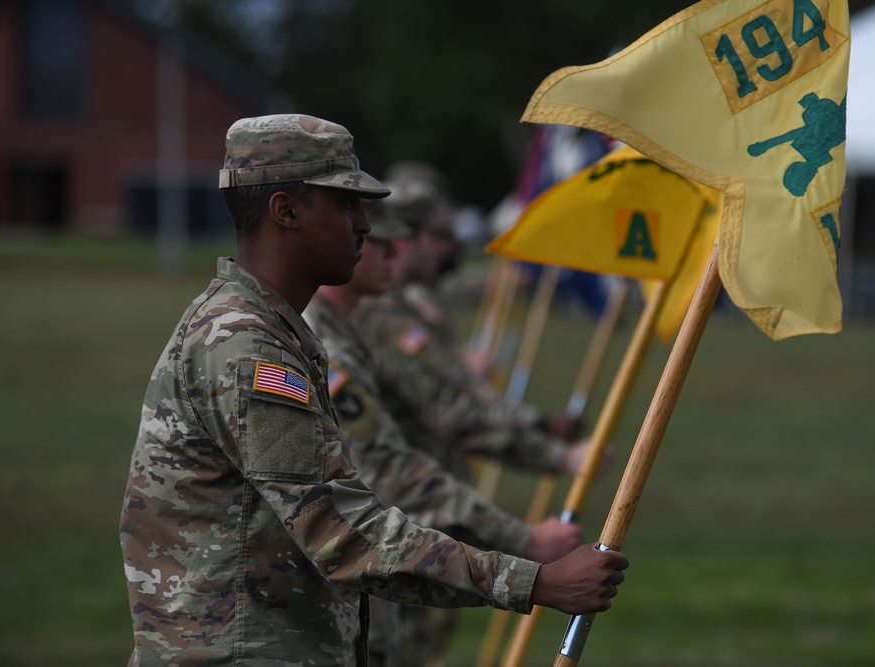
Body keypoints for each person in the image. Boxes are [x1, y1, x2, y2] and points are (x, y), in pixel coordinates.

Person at [118, 113, 628, 667]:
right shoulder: (243, 346)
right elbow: (343, 532)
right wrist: (534, 581)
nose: (365, 226)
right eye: (344, 204)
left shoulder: (272, 329)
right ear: (285, 210)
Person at [303, 203, 581, 665]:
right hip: (370, 557)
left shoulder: (354, 328)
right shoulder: (328, 344)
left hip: (391, 551)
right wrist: (522, 539)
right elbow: (391, 461)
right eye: (379, 243)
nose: (395, 255)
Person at [353, 172, 588, 483]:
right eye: (438, 236)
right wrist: (559, 455)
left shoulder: (407, 303)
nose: (448, 249)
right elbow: (452, 407)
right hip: (412, 504)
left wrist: (538, 424)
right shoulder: (381, 313)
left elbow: (454, 384)